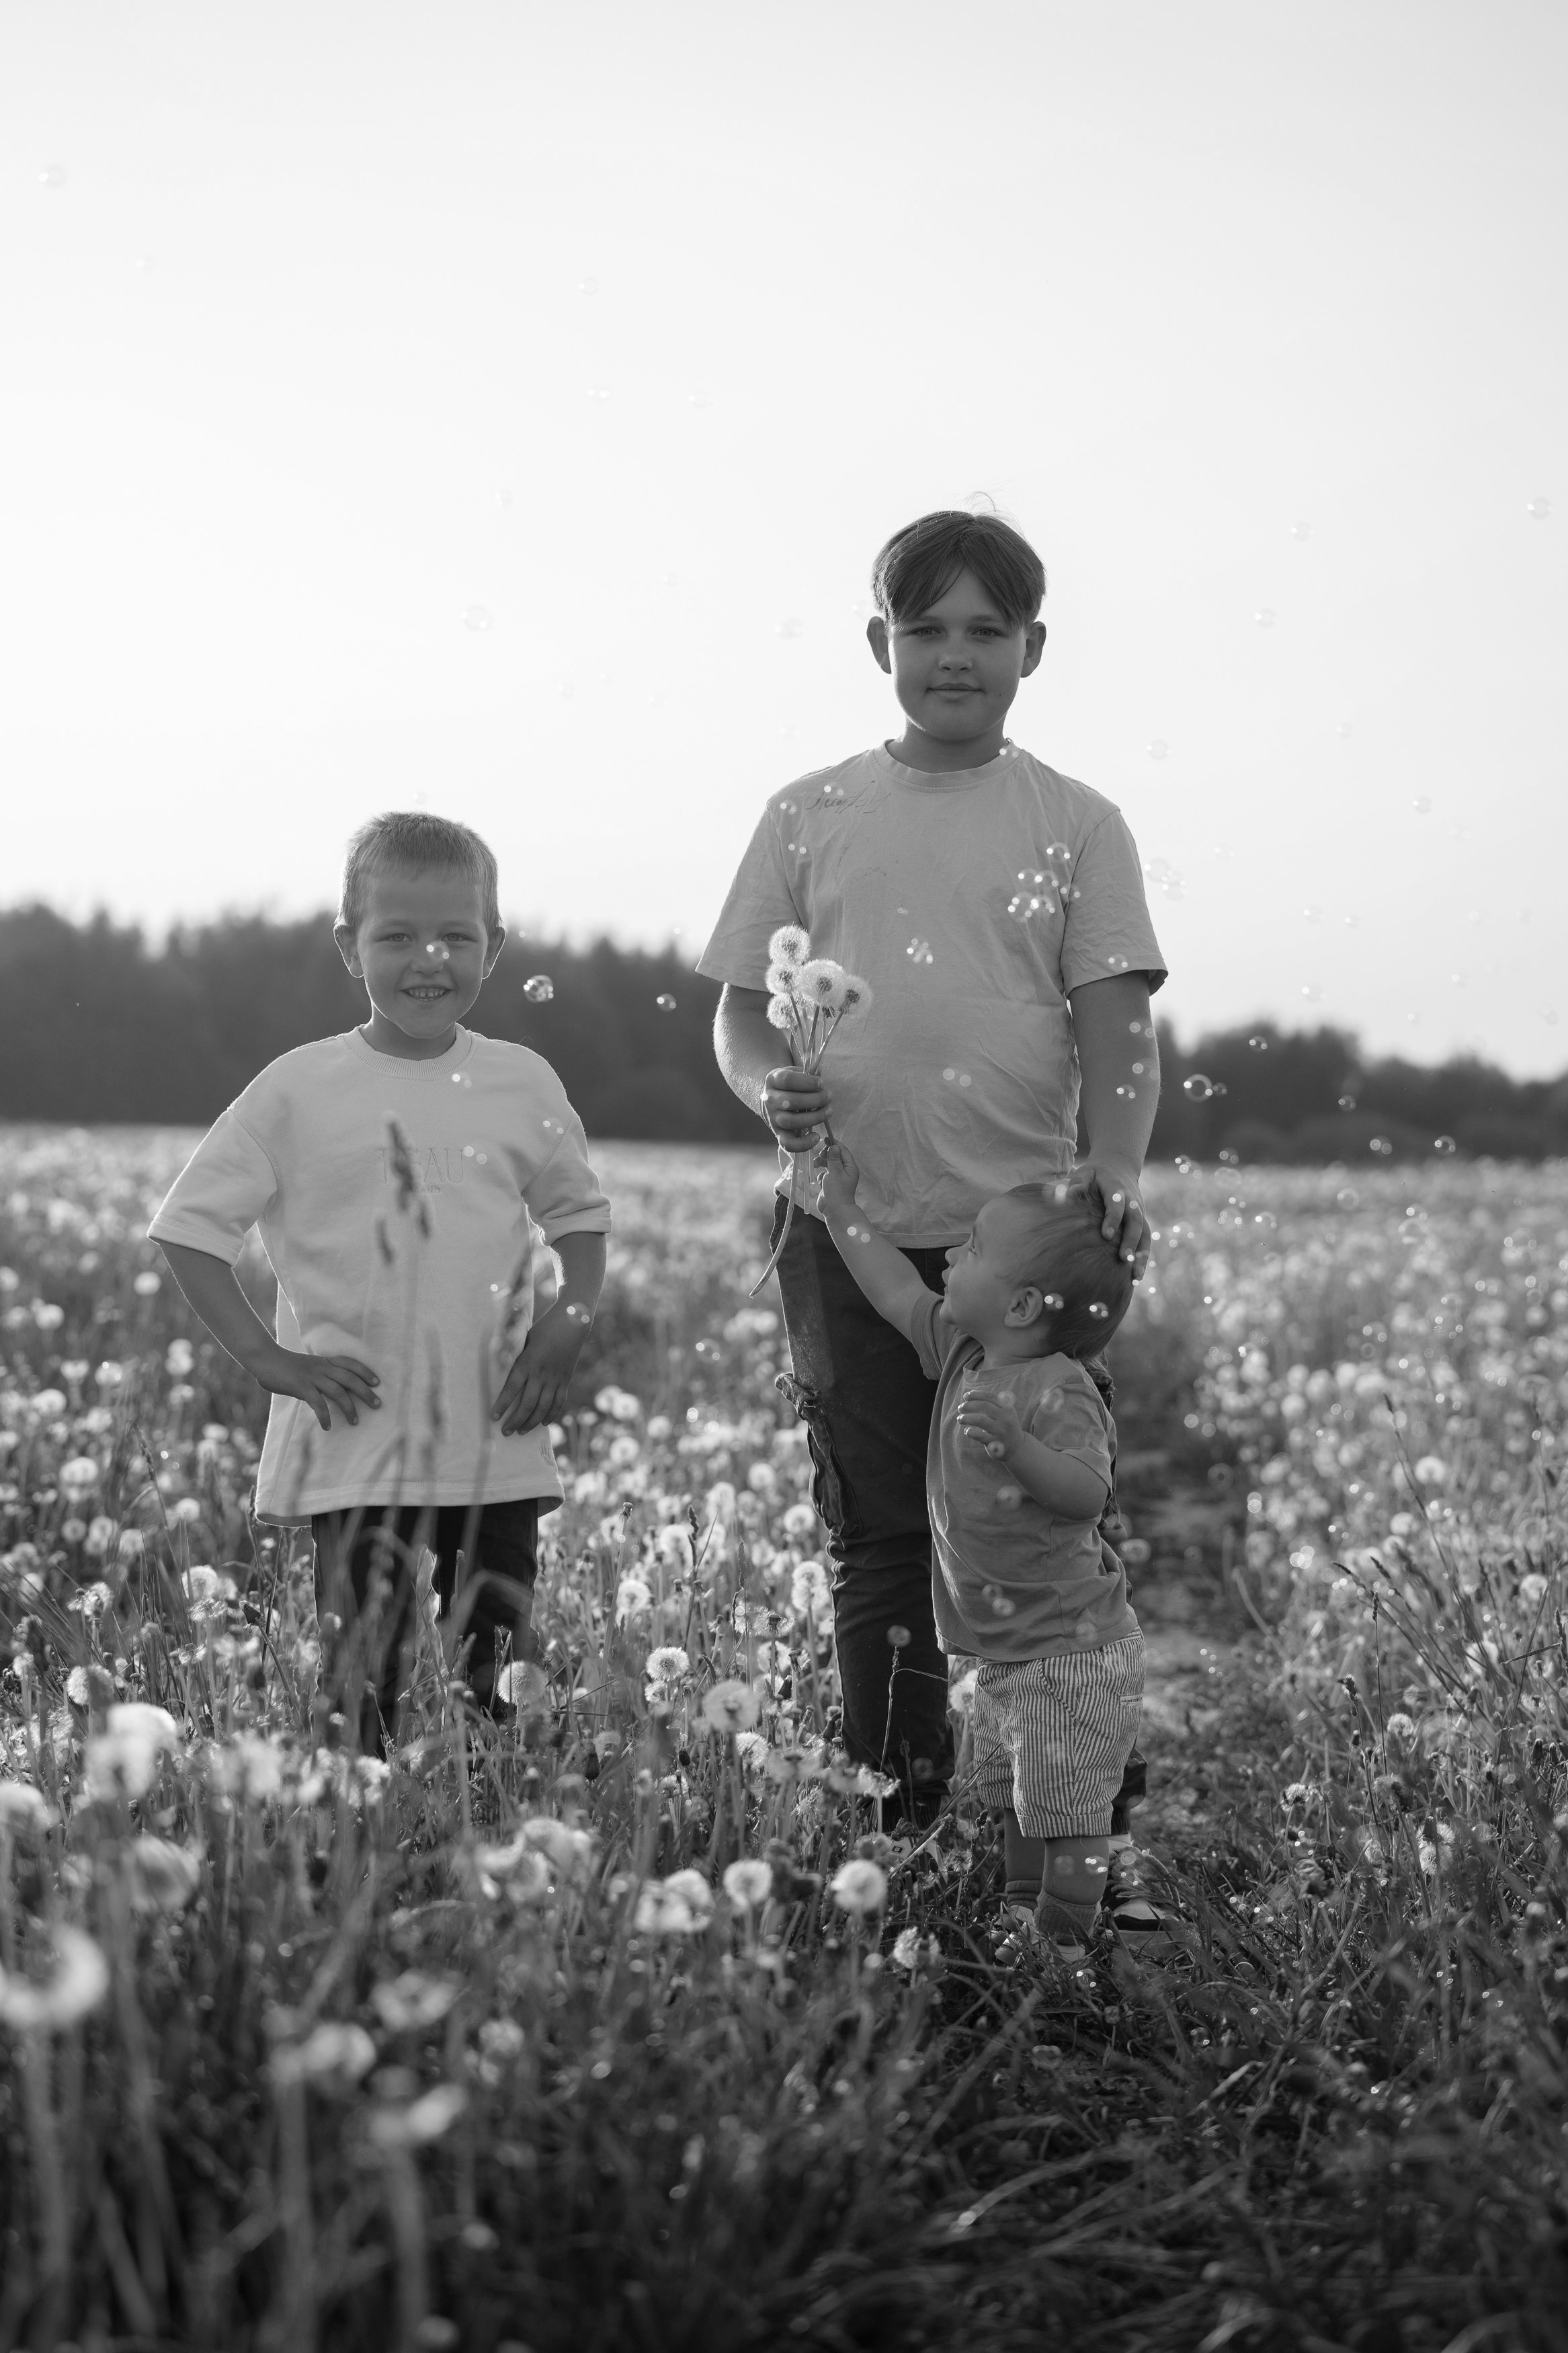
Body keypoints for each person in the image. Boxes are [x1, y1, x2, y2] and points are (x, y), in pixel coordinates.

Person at [700, 506, 1171, 1933]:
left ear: (1031, 648)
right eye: (925, 629)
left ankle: (1077, 1827)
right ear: (877, 646)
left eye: (984, 631)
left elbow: (1116, 1029)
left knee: (1045, 1532)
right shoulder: (808, 811)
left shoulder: (1075, 820)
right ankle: (895, 1828)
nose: (952, 655)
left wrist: (1109, 1182)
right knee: (875, 1538)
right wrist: (763, 1091)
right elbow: (736, 1018)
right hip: (842, 1225)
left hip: (1019, 1242)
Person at [150, 811, 610, 1751]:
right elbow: (190, 1229)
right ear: (348, 948)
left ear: (496, 947)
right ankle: (352, 1849)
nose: (427, 958)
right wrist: (263, 1355)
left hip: (494, 1437)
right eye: (395, 935)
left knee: (502, 1683)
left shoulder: (522, 1082)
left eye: (456, 936)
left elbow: (581, 1220)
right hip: (356, 1444)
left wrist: (567, 1324)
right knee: (360, 1683)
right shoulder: (298, 1087)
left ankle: (489, 1837)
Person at [815, 1148, 1143, 1960]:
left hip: (1069, 1649)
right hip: (1003, 1648)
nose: (952, 1259)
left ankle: (1063, 1948)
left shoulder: (1057, 1387)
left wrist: (1020, 1451)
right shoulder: (962, 1352)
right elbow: (892, 1288)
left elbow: (1084, 1492)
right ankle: (1020, 1912)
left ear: (1024, 1303)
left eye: (970, 1249)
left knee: (1070, 1818)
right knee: (1017, 1805)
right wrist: (839, 1206)